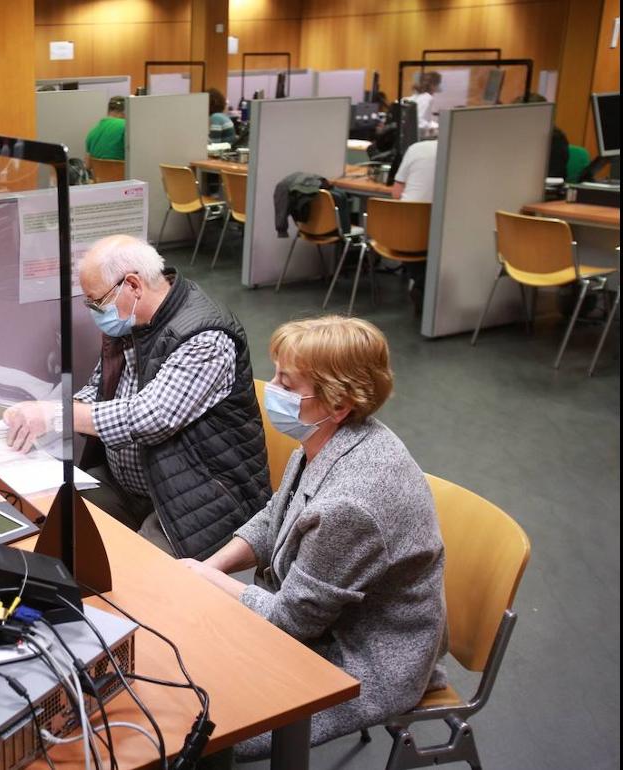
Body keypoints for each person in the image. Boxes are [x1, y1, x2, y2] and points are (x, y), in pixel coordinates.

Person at [181, 315, 447, 761]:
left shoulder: (352, 504)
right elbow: (275, 516)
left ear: (338, 402)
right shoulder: (330, 437)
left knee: (199, 725)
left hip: (365, 657)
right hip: (326, 620)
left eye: (287, 383)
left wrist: (211, 584)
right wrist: (209, 568)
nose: (273, 390)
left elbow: (290, 624)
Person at [3, 235, 271, 558]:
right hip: (134, 485)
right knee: (51, 519)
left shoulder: (206, 337)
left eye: (95, 302)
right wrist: (45, 416)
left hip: (200, 499)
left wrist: (56, 415)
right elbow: (100, 391)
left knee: (134, 576)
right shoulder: (131, 323)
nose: (92, 311)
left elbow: (149, 418)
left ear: (132, 285)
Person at [391, 138, 438, 308]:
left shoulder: (416, 148)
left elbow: (396, 193)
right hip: (433, 235)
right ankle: (423, 287)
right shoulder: (459, 153)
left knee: (419, 241)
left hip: (401, 233)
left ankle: (421, 285)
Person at [84, 96, 127, 161]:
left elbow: (87, 165)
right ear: (125, 111)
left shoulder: (93, 132)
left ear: (108, 111)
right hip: (121, 170)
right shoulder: (126, 126)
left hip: (98, 171)